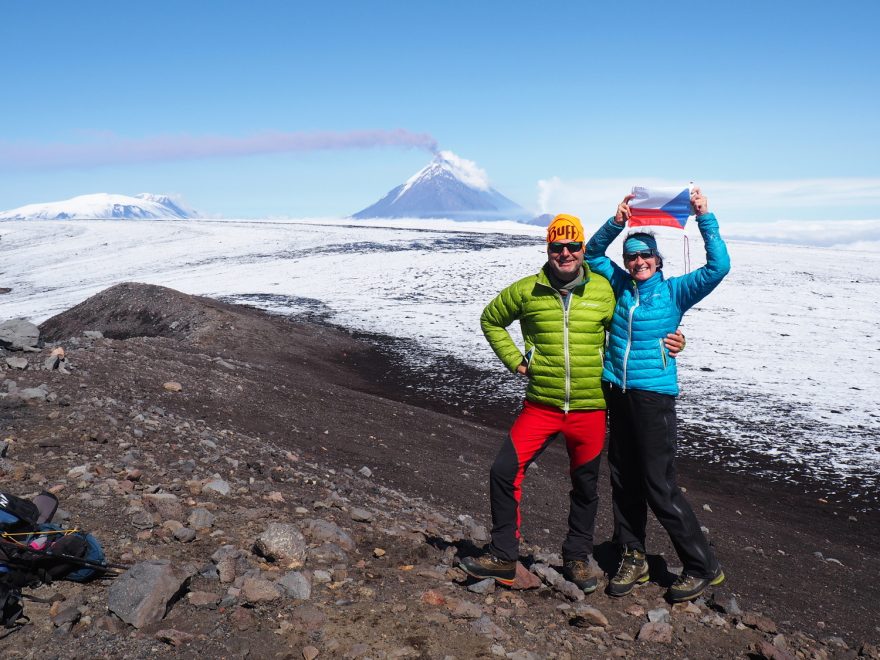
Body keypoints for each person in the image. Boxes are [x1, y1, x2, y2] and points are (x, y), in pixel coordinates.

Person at [460, 214, 683, 592]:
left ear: (582, 249)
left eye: (572, 246)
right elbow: (490, 320)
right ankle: (502, 554)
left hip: (590, 408)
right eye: (557, 247)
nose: (565, 253)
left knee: (585, 487)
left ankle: (577, 558)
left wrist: (674, 340)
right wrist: (514, 360)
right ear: (548, 250)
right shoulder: (526, 290)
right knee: (503, 471)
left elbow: (637, 322)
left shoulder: (604, 290)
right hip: (541, 405)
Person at [584, 188, 731, 602]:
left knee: (658, 485)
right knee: (622, 478)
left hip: (653, 399)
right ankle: (633, 555)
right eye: (632, 256)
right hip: (618, 391)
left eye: (645, 255)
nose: (638, 261)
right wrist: (616, 222)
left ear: (658, 259)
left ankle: (703, 565)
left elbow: (719, 266)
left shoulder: (675, 292)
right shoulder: (619, 286)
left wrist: (706, 217)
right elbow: (593, 255)